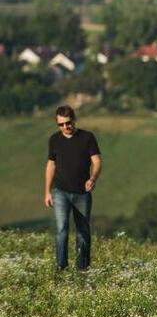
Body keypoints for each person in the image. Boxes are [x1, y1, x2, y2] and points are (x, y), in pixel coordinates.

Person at [44, 105, 102, 271]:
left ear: (74, 120)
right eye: (61, 124)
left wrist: (93, 178)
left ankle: (82, 269)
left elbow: (97, 161)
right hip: (59, 191)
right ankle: (61, 268)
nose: (65, 127)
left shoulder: (87, 137)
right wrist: (47, 191)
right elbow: (50, 165)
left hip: (82, 193)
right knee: (61, 229)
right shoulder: (54, 140)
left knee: (83, 231)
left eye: (68, 123)